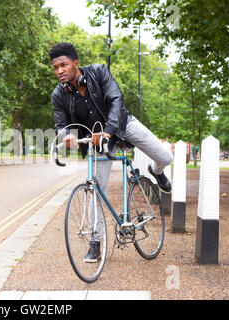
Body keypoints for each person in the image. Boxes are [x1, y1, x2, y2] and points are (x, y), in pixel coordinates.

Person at [49, 42, 173, 262]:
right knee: (95, 189)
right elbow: (61, 124)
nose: (59, 71)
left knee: (166, 156)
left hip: (122, 125)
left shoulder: (98, 72)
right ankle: (95, 242)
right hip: (96, 141)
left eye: (63, 65)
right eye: (55, 67)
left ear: (75, 63)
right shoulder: (58, 94)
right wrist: (66, 135)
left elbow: (116, 101)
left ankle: (157, 170)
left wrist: (108, 132)